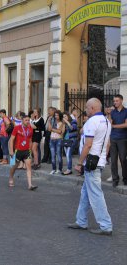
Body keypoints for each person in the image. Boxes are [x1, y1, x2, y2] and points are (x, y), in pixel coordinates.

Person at [68, 98, 112, 236]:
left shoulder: (91, 122)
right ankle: (81, 221)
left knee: (96, 194)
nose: (85, 110)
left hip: (91, 163)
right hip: (99, 161)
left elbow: (88, 144)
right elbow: (108, 144)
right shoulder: (107, 122)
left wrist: (80, 162)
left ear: (92, 108)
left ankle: (106, 225)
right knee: (85, 194)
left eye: (87, 107)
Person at [8, 115, 37, 190]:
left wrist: (30, 150)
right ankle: (11, 178)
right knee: (13, 167)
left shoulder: (30, 129)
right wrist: (11, 151)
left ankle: (30, 185)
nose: (27, 122)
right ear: (22, 121)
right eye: (26, 120)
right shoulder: (17, 128)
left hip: (27, 151)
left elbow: (30, 140)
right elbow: (11, 139)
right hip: (17, 151)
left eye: (28, 120)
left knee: (29, 167)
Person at [109, 94, 127, 187]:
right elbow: (109, 124)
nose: (115, 102)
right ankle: (115, 179)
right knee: (113, 160)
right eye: (114, 101)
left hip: (123, 138)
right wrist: (108, 114)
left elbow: (126, 125)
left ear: (121, 101)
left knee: (123, 159)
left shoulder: (126, 111)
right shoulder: (113, 112)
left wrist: (114, 126)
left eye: (116, 101)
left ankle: (125, 178)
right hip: (113, 138)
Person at [48, 110, 65, 174]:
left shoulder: (62, 122)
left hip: (58, 140)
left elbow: (60, 132)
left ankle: (60, 169)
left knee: (59, 155)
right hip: (52, 140)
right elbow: (49, 129)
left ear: (60, 115)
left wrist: (53, 129)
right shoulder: (52, 122)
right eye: (55, 115)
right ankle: (53, 169)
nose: (56, 116)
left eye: (57, 115)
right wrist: (49, 121)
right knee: (53, 155)